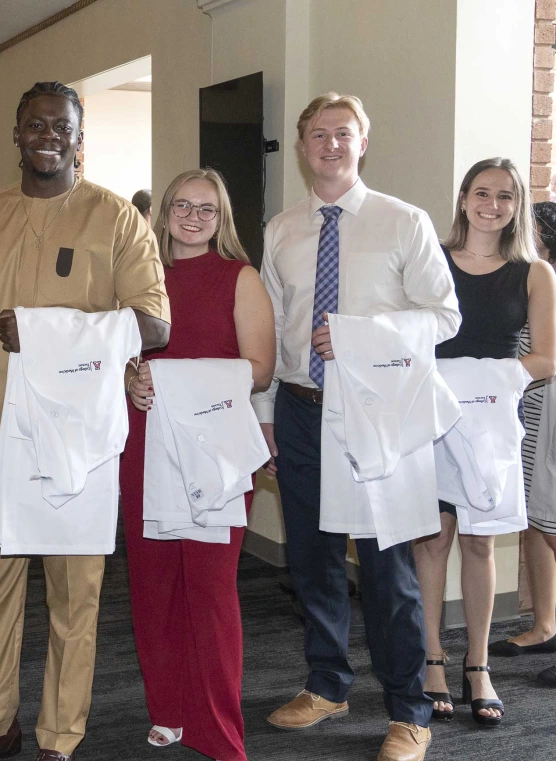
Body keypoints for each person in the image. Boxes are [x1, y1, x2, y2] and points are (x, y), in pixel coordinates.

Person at [0, 81, 170, 761]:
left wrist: (49, 330)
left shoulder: (116, 219)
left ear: (79, 136)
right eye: (34, 123)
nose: (48, 134)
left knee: (76, 599)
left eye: (61, 125)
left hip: (77, 441)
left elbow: (154, 323)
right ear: (16, 133)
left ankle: (60, 736)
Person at [254, 93, 460, 761]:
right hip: (300, 407)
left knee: (385, 568)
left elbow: (443, 315)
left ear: (363, 143)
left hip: (376, 415)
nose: (331, 144)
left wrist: (363, 337)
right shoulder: (282, 228)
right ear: (302, 145)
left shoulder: (404, 221)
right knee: (311, 561)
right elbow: (271, 326)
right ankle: (327, 683)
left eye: (343, 133)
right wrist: (264, 417)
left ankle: (409, 709)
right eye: (318, 134)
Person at [121, 168, 274, 759]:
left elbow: (259, 367)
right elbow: (115, 354)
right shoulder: (137, 278)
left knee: (209, 590)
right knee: (154, 585)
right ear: (163, 213)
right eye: (182, 206)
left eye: (206, 210)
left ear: (221, 220)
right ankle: (169, 708)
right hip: (144, 439)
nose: (192, 217)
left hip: (216, 447)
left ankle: (217, 727)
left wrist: (177, 379)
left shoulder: (240, 277)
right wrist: (130, 378)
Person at [413, 159, 555, 727]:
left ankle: (478, 665)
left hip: (491, 421)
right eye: (481, 193)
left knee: (479, 543)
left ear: (517, 205)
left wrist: (475, 377)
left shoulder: (534, 272)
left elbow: (546, 356)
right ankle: (431, 660)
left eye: (504, 196)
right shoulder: (434, 261)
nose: (491, 205)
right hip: (431, 418)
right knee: (433, 538)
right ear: (464, 199)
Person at [489, 201, 556, 676]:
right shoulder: (519, 276)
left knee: (554, 523)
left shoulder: (545, 278)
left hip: (552, 404)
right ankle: (545, 625)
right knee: (535, 519)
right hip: (528, 409)